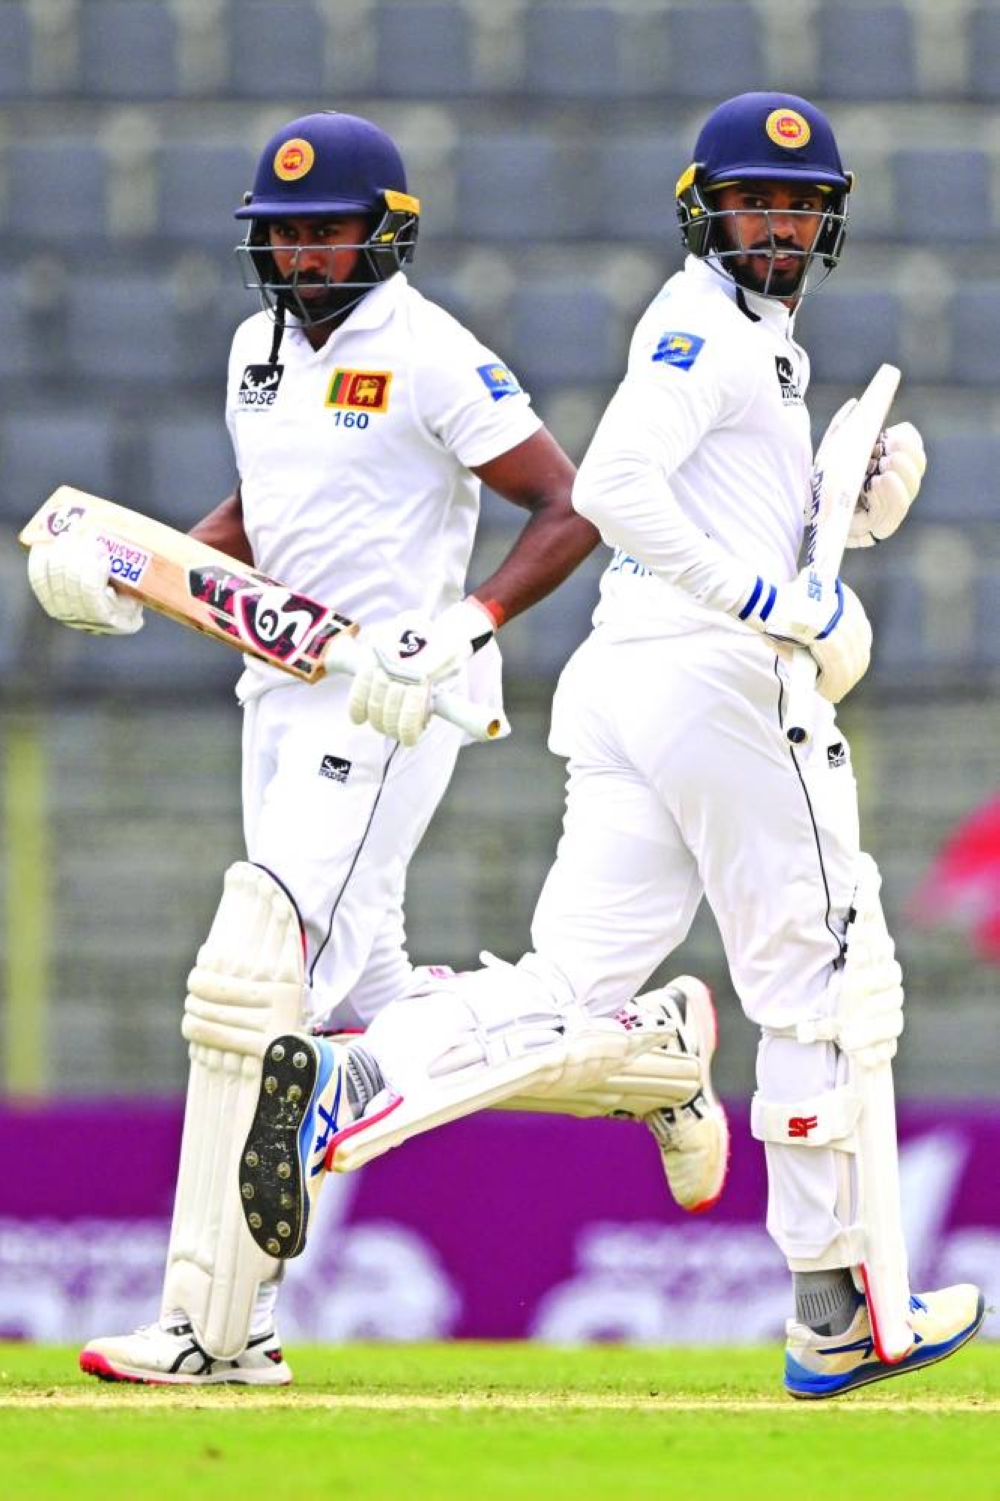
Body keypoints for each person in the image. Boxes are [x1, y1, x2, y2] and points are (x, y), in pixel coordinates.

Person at [240, 92, 986, 1400]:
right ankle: (839, 1308)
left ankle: (361, 1077)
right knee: (831, 971)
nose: (778, 226)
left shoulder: (752, 342)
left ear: (830, 222)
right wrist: (772, 604)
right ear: (708, 209)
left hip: (636, 677)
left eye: (800, 207)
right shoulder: (705, 325)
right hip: (717, 680)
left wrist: (839, 514)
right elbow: (618, 489)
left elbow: (707, 505)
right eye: (756, 203)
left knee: (569, 987)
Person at [27, 110, 723, 1385]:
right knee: (378, 1016)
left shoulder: (434, 353)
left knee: (253, 974)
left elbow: (569, 504)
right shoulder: (255, 347)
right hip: (275, 700)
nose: (299, 256)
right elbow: (264, 508)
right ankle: (647, 1057)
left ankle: (215, 1330)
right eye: (280, 235)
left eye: (323, 232)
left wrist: (463, 627)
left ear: (385, 234)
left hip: (390, 704)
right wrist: (147, 574)